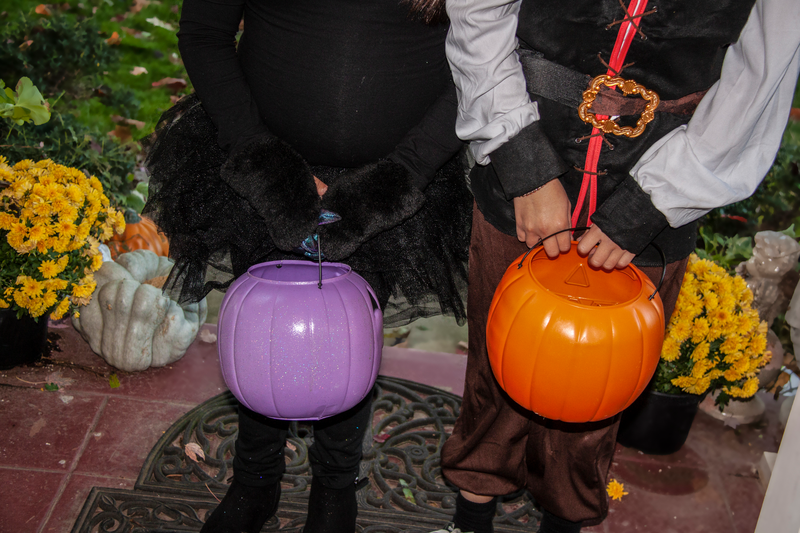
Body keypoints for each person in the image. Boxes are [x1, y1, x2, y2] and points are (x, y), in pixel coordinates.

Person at [437, 0, 800, 532]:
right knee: (495, 370)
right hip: (524, 163)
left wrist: (652, 202)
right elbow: (479, 12)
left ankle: (564, 521)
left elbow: (764, 65)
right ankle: (471, 517)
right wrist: (523, 161)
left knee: (597, 397)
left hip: (661, 187)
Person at [142, 1, 472, 532]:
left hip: (397, 172)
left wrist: (403, 174)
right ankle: (255, 478)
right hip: (261, 155)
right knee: (264, 330)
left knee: (348, 336)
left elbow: (487, 55)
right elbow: (205, 31)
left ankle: (336, 486)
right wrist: (262, 160)